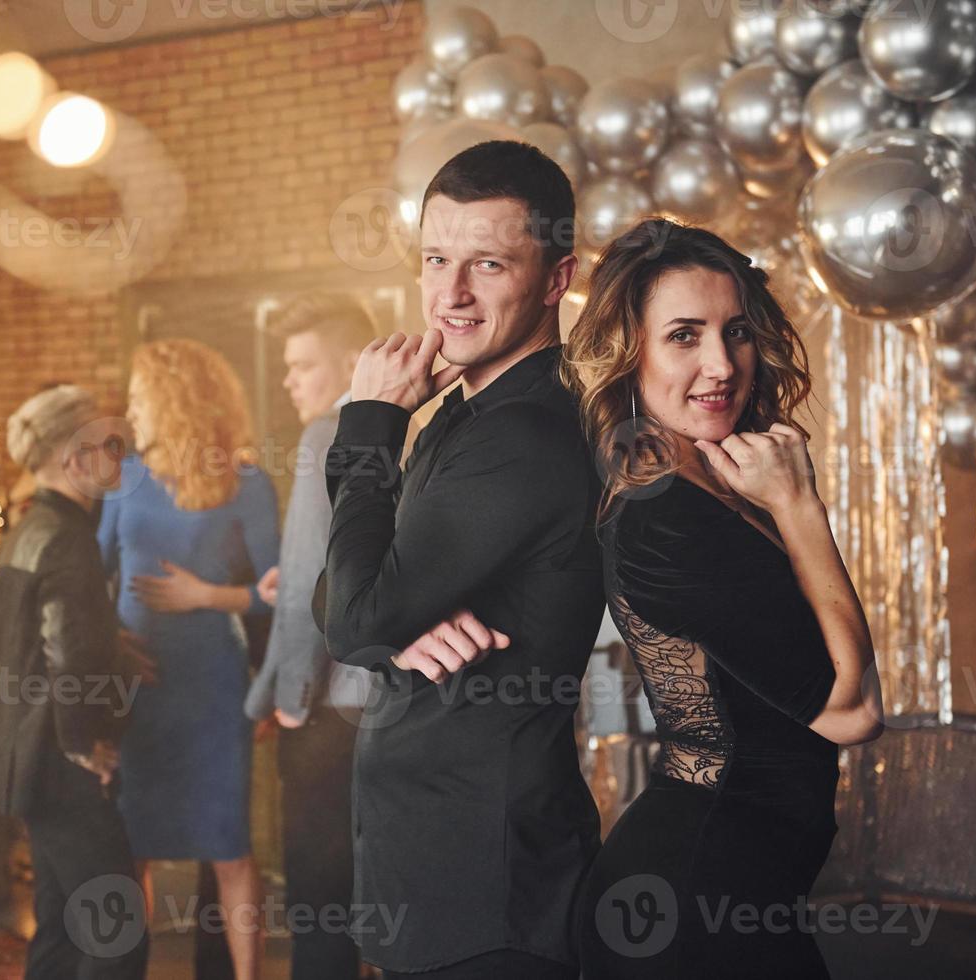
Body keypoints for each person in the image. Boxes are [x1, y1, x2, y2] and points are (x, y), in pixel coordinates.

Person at [561, 220, 883, 979]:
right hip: (694, 904)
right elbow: (852, 710)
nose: (721, 364)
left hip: (741, 892)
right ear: (630, 352)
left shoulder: (717, 482)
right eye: (683, 335)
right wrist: (801, 508)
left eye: (735, 331)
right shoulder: (663, 514)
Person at [318, 140, 604, 979]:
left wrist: (367, 420)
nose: (451, 294)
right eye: (437, 259)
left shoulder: (523, 435)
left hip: (487, 891)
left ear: (557, 279)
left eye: (487, 264)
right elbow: (346, 601)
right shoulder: (458, 415)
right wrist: (394, 633)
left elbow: (348, 614)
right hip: (433, 872)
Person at [98, 339, 279, 980]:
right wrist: (110, 645)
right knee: (133, 848)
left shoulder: (246, 481)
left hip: (211, 686)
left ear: (174, 402)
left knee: (228, 847)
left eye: (140, 396)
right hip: (139, 691)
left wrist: (207, 595)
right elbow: (94, 581)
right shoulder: (123, 480)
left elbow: (278, 591)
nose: (130, 409)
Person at [0, 384, 150, 980]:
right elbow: (70, 659)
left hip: (29, 757)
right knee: (115, 932)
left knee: (59, 927)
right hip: (64, 761)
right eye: (109, 445)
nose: (119, 458)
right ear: (74, 460)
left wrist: (111, 645)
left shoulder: (26, 529)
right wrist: (84, 745)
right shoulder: (71, 539)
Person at [243, 293, 376, 980]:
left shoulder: (326, 434)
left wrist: (283, 696)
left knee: (318, 899)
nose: (290, 381)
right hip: (388, 702)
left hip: (326, 703)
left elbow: (307, 582)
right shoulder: (408, 427)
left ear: (353, 361)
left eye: (302, 364)